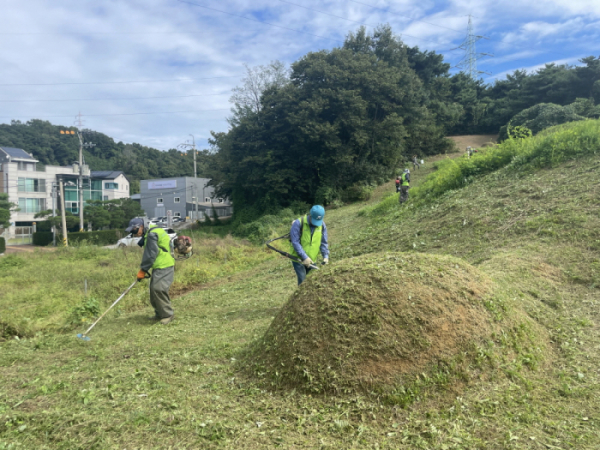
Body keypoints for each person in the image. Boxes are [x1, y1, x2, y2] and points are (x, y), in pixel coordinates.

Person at [125, 217, 176, 325]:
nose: (133, 233)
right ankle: (159, 314)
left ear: (141, 227)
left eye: (134, 230)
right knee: (153, 291)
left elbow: (150, 255)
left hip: (164, 265)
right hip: (160, 265)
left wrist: (143, 270)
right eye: (131, 232)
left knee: (158, 289)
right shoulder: (154, 230)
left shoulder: (152, 234)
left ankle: (167, 314)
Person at [289, 205, 329, 285]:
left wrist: (325, 256)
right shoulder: (298, 223)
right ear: (310, 215)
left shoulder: (322, 225)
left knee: (314, 280)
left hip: (312, 259)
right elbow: (295, 242)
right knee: (303, 282)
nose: (315, 224)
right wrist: (304, 257)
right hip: (298, 259)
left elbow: (323, 242)